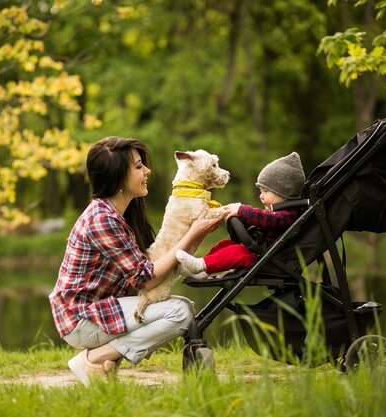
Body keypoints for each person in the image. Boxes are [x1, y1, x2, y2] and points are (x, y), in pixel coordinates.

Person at [49, 136, 222, 386]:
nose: (147, 170)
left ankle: (104, 364)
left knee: (182, 307)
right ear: (119, 177)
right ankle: (94, 359)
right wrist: (193, 233)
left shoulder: (119, 214)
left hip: (101, 308)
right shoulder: (102, 219)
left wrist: (195, 235)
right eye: (139, 166)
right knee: (179, 312)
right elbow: (146, 278)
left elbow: (148, 271)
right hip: (80, 318)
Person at [176, 152, 306, 277]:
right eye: (260, 191)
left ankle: (201, 265)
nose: (261, 196)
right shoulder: (278, 210)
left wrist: (243, 211)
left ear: (284, 193)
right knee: (225, 244)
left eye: (265, 191)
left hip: (267, 256)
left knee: (237, 251)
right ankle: (204, 270)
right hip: (259, 248)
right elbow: (260, 220)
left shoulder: (289, 215)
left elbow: (266, 219)